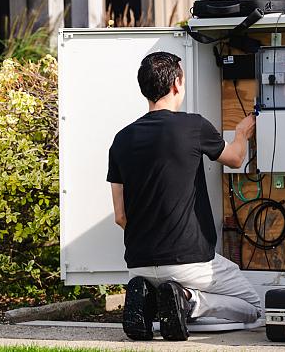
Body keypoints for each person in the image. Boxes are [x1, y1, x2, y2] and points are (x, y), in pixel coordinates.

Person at [107, 51, 261, 341]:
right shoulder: (193, 126)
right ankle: (189, 300)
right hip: (190, 263)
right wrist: (242, 133)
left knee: (163, 284)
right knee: (254, 308)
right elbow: (235, 159)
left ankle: (151, 302)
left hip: (138, 264)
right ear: (177, 84)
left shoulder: (121, 139)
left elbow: (120, 216)